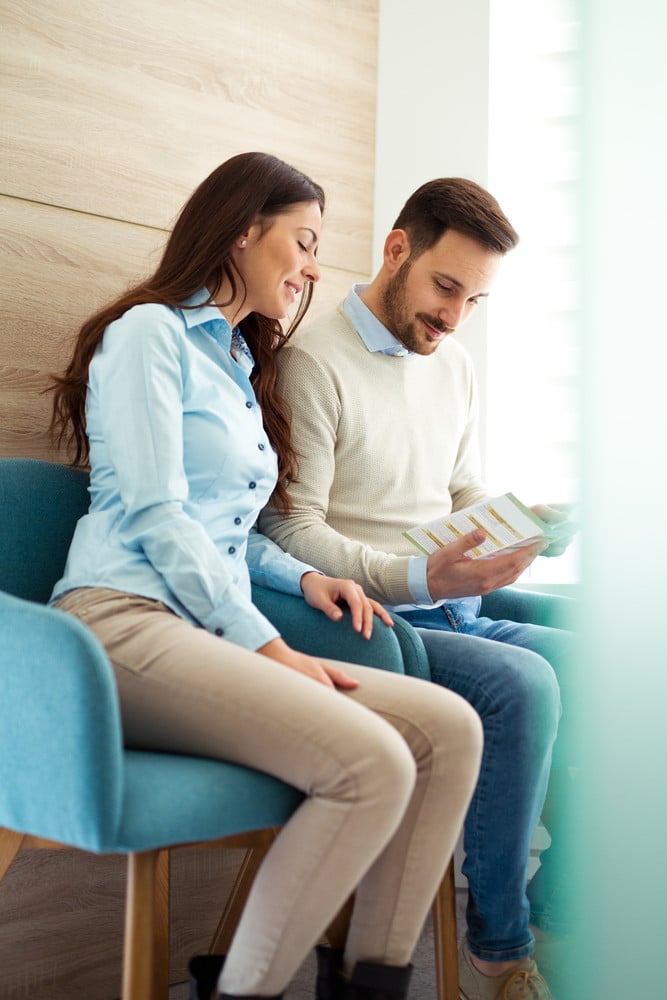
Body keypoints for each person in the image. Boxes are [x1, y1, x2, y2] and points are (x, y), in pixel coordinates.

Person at [46, 153, 483, 1000]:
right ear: (245, 229)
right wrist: (269, 646)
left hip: (199, 628)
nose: (315, 266)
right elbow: (154, 513)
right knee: (374, 765)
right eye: (304, 240)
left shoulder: (238, 367)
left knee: (448, 731)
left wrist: (298, 577)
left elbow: (225, 530)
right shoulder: (147, 335)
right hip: (119, 622)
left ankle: (367, 985)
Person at [259, 177, 577, 1000]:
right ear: (397, 248)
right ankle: (498, 950)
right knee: (525, 681)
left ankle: (561, 912)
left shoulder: (454, 367)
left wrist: (518, 521)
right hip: (380, 624)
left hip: (456, 609)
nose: (453, 317)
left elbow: (459, 491)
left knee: (609, 662)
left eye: (474, 299)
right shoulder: (310, 365)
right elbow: (293, 532)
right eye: (445, 288)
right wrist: (415, 574)